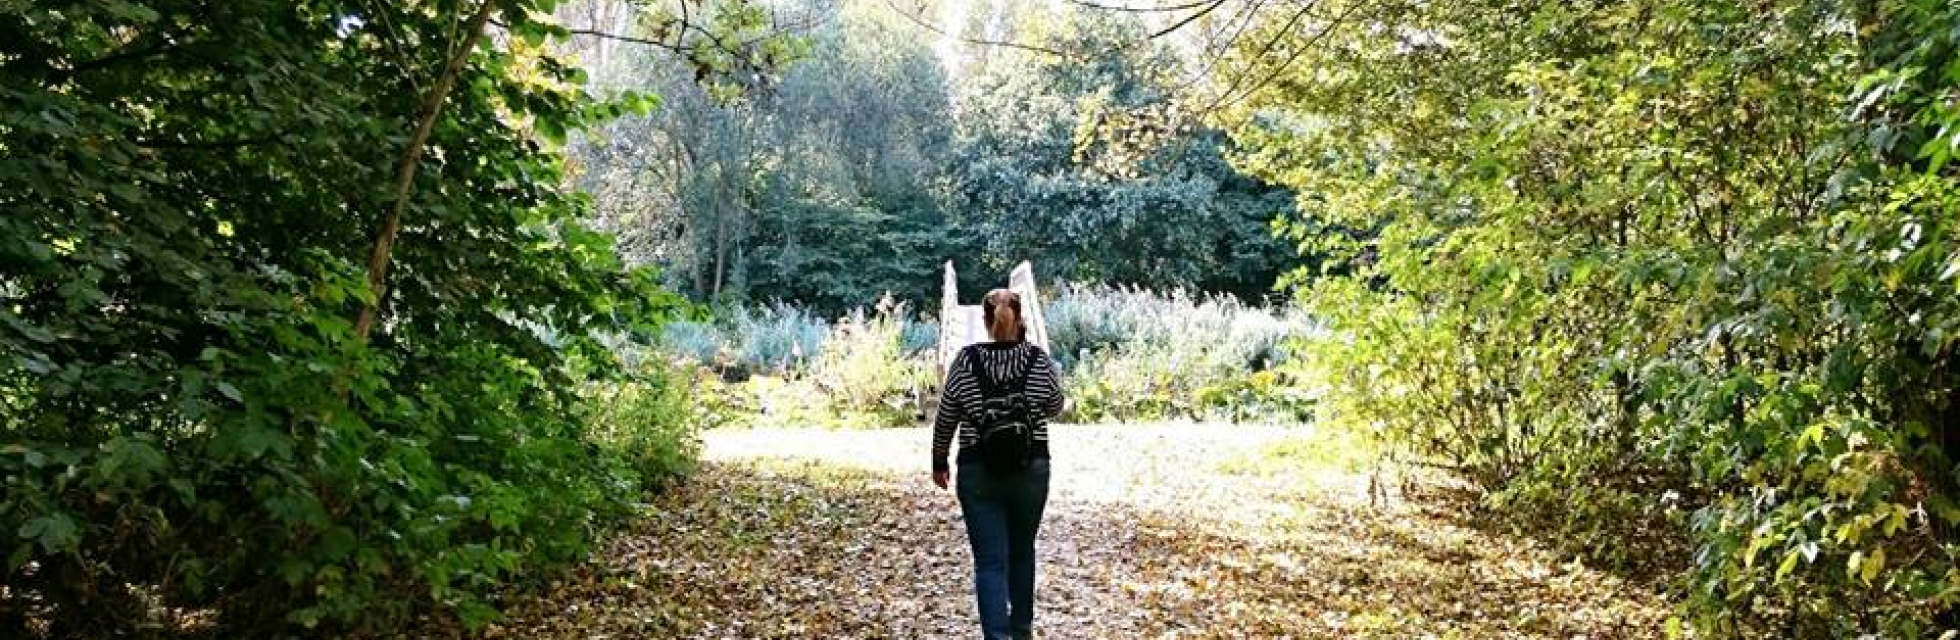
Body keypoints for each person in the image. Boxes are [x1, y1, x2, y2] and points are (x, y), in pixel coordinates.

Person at [932, 288, 1065, 640]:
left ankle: (997, 637)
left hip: (978, 470)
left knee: (990, 562)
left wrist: (938, 460)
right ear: (1019, 319)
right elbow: (1055, 407)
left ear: (986, 322)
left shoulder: (966, 361)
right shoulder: (1037, 360)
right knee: (1022, 553)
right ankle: (1022, 631)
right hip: (1031, 467)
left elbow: (946, 416)